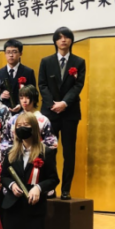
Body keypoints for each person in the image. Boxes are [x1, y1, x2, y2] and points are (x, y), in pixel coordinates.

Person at [38, 27, 86, 200]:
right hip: (50, 113)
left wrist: (64, 103)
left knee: (69, 153)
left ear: (71, 40)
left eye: (66, 37)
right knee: (48, 151)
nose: (63, 40)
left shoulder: (79, 62)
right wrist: (53, 104)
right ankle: (49, 187)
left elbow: (78, 85)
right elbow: (42, 84)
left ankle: (66, 189)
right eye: (59, 37)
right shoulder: (46, 61)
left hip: (69, 113)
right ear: (55, 41)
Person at [0, 85, 58, 157]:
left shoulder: (43, 120)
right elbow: (5, 142)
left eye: (27, 98)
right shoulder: (13, 119)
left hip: (37, 156)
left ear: (34, 99)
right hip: (17, 156)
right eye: (21, 98)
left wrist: (33, 149)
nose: (24, 101)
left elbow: (51, 143)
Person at [0, 39, 37, 114]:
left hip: (23, 112)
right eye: (8, 52)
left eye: (14, 52)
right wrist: (1, 96)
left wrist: (21, 105)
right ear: (5, 54)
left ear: (20, 53)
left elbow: (33, 94)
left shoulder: (28, 72)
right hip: (3, 112)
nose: (11, 55)